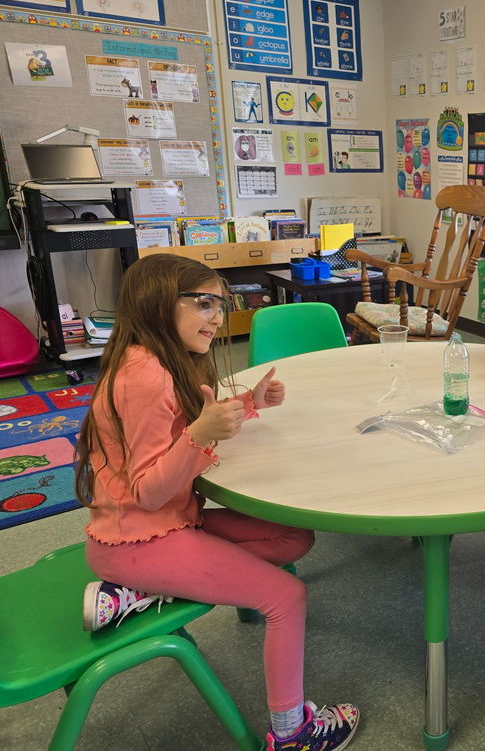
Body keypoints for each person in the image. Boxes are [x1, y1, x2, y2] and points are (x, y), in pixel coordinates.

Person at [74, 254, 360, 751]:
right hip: (137, 540)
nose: (217, 317)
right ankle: (292, 733)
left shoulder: (158, 360)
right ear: (158, 302)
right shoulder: (144, 376)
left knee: (292, 536)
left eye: (220, 305)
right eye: (204, 303)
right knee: (286, 597)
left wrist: (248, 404)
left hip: (166, 525)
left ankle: (138, 593)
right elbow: (148, 491)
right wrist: (200, 435)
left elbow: (186, 429)